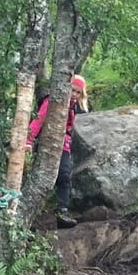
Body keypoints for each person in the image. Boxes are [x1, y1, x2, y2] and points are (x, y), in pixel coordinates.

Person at [25, 74, 87, 228]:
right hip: (47, 143)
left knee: (65, 175)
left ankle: (62, 212)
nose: (74, 95)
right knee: (42, 179)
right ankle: (32, 216)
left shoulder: (76, 108)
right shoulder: (52, 101)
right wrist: (28, 141)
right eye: (73, 90)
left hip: (64, 144)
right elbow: (38, 120)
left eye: (78, 92)